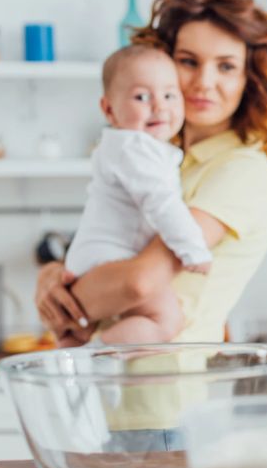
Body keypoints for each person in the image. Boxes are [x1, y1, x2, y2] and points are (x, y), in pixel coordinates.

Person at [34, 0, 267, 450]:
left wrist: (66, 293)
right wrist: (53, 278)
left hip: (165, 406)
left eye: (226, 66)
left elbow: (138, 282)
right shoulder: (153, 158)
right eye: (188, 62)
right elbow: (105, 250)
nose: (204, 82)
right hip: (117, 403)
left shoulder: (241, 170)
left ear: (250, 80)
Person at [63, 44, 212, 347]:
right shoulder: (134, 148)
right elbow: (163, 204)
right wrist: (194, 250)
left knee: (78, 330)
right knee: (166, 319)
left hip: (99, 255)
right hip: (108, 256)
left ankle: (80, 352)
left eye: (170, 95)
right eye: (141, 97)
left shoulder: (133, 148)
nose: (159, 106)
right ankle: (94, 359)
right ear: (108, 109)